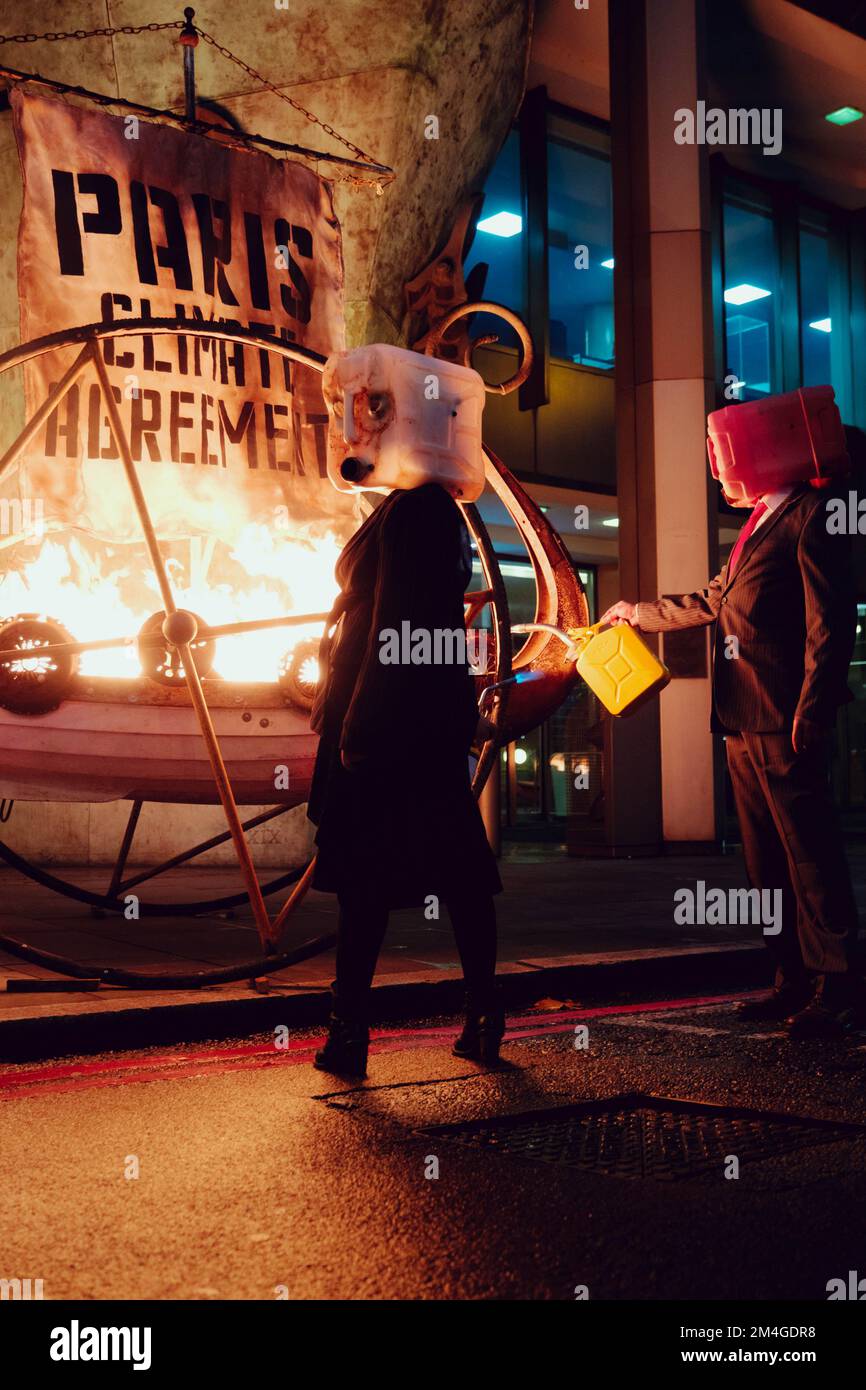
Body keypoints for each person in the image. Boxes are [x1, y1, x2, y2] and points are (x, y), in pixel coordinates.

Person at [601, 386, 863, 1039]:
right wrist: (636, 612)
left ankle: (840, 987)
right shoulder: (758, 525)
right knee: (764, 860)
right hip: (741, 716)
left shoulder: (813, 515)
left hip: (784, 717)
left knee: (809, 855)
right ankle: (792, 978)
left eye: (722, 454)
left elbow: (830, 626)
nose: (717, 469)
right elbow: (715, 600)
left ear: (763, 450)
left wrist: (813, 709)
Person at [306, 346, 504, 1078]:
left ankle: (351, 1033)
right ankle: (480, 1014)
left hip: (392, 729)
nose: (356, 427)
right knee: (449, 873)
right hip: (408, 723)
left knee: (369, 883)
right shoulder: (419, 507)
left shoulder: (419, 511)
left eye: (375, 411)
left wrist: (361, 726)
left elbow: (403, 627)